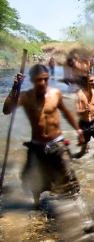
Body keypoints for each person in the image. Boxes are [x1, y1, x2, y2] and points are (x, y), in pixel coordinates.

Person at [2, 64, 84, 209]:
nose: (43, 83)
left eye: (46, 79)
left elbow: (66, 112)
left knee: (69, 177)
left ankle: (75, 210)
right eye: (39, 80)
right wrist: (15, 87)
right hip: (37, 145)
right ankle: (36, 207)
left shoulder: (55, 94)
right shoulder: (25, 97)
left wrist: (78, 131)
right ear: (33, 80)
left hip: (57, 143)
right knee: (35, 182)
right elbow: (7, 110)